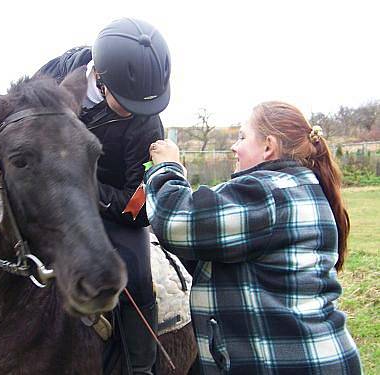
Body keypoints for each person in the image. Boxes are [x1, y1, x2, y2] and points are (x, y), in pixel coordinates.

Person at [145, 101, 362, 374]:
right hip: (320, 358)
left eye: (242, 137)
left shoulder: (268, 193)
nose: (235, 147)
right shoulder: (301, 186)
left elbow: (176, 222)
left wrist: (167, 167)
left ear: (268, 146)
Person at [34, 18, 171, 374]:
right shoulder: (59, 71)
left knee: (138, 272)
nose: (135, 112)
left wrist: (83, 189)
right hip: (43, 190)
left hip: (109, 206)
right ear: (100, 78)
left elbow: (136, 207)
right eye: (125, 103)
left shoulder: (147, 121)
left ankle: (141, 365)